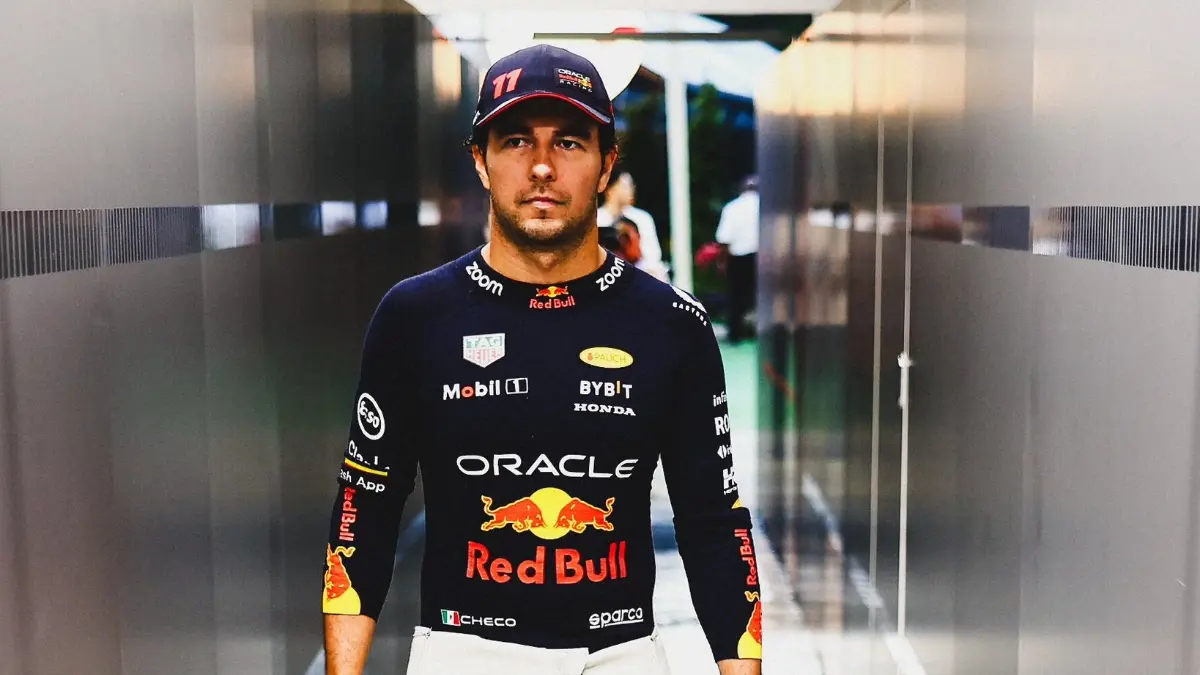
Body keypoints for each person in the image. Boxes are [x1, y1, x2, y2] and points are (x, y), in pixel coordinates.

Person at [321, 44, 763, 675]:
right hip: (462, 653)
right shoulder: (414, 316)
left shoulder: (672, 324)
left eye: (570, 143)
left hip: (622, 655)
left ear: (607, 164)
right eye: (516, 141)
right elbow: (364, 508)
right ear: (481, 161)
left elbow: (714, 520)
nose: (542, 167)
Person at [598, 171, 670, 282]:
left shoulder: (641, 218)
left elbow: (652, 258)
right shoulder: (595, 220)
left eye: (631, 186)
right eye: (625, 186)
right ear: (610, 189)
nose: (631, 190)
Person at [714, 175, 760, 343]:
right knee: (765, 295)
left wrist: (722, 262)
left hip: (738, 257)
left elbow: (724, 239)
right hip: (763, 257)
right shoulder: (766, 206)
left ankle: (735, 333)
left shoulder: (732, 207)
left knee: (736, 296)